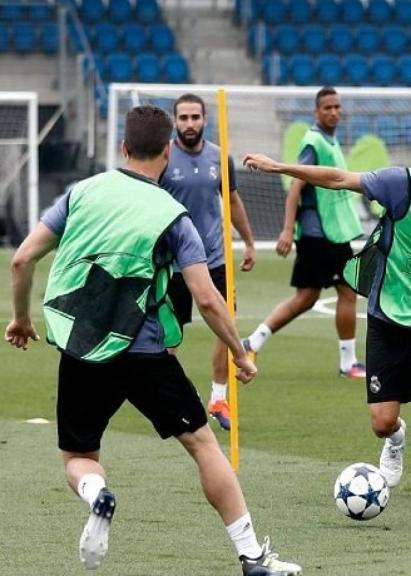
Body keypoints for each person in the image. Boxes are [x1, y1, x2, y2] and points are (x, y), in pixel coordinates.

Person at [4, 105, 300, 575]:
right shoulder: (174, 216)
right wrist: (241, 354)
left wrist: (21, 319)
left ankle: (98, 495)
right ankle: (252, 557)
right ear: (167, 152)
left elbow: (22, 260)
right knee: (203, 445)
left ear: (123, 148)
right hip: (146, 354)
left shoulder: (82, 193)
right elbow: (206, 298)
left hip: (84, 350)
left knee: (79, 457)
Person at [243, 124, 411, 507]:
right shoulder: (401, 185)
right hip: (388, 313)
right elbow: (339, 178)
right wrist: (280, 168)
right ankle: (396, 438)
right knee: (382, 422)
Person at [243, 86, 366, 378]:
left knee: (307, 298)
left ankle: (254, 340)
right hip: (321, 233)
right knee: (347, 291)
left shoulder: (329, 141)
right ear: (316, 112)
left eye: (337, 106)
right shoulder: (313, 141)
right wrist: (287, 229)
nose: (334, 112)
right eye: (327, 108)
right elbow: (296, 185)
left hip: (328, 232)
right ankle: (348, 363)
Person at [161, 92, 257, 432]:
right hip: (172, 263)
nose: (189, 124)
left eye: (195, 117)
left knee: (224, 324)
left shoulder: (219, 156)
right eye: (183, 118)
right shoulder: (163, 156)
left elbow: (231, 200)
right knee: (169, 337)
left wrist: (247, 241)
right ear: (175, 121)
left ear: (204, 120)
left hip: (214, 260)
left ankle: (218, 398)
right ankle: (167, 398)